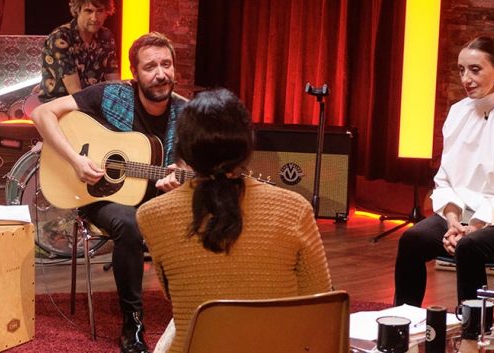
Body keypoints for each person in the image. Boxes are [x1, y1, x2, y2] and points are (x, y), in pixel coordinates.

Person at [135, 88, 333, 353]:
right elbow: (318, 299)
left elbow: (176, 294)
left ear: (183, 149)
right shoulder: (295, 208)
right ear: (247, 145)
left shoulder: (151, 214)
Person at [31, 32, 186, 353]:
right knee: (128, 224)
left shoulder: (185, 113)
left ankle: (197, 307)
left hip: (157, 199)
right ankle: (133, 321)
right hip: (99, 196)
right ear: (135, 74)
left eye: (166, 64)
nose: (160, 74)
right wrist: (75, 161)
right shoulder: (110, 95)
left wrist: (180, 177)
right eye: (150, 66)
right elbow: (41, 114)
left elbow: (187, 164)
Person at [393, 36, 494, 325]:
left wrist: (475, 225)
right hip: (464, 215)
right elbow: (445, 179)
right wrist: (453, 219)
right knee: (412, 239)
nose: (466, 78)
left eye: (475, 70)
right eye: (461, 69)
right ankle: (401, 324)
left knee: (470, 246)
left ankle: (473, 333)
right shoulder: (457, 112)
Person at [38, 0, 121, 103]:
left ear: (106, 13)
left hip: (91, 103)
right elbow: (75, 92)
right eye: (88, 11)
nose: (94, 18)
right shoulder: (61, 38)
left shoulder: (105, 36)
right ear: (78, 10)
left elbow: (115, 83)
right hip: (57, 105)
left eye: (100, 11)